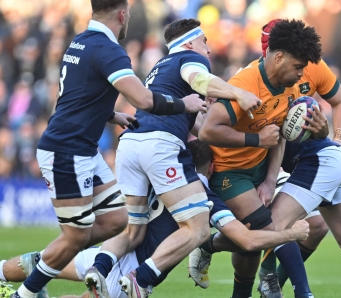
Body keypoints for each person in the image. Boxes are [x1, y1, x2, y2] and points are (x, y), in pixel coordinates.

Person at [10, 0, 208, 297]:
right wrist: (185, 104)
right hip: (67, 152)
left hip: (83, 149)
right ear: (122, 14)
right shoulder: (110, 50)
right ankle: (24, 292)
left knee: (117, 220)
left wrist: (111, 114)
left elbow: (77, 96)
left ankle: (40, 265)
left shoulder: (80, 42)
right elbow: (143, 99)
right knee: (75, 238)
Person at [83, 18, 261, 298]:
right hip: (159, 144)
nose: (209, 49)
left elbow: (199, 130)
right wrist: (238, 92)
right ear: (189, 43)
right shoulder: (190, 58)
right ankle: (141, 280)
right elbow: (199, 78)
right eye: (205, 42)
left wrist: (212, 111)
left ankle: (99, 268)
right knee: (198, 229)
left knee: (133, 231)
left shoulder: (159, 68)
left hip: (130, 144)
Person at [0, 140, 310, 298]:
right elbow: (246, 241)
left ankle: (1, 274)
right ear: (212, 169)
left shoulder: (161, 178)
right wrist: (291, 233)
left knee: (43, 263)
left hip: (114, 250)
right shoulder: (203, 198)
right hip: (133, 272)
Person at [199, 19, 322, 298]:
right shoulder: (245, 84)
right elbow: (208, 130)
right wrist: (256, 140)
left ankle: (207, 245)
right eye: (298, 67)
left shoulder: (290, 88)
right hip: (229, 171)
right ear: (278, 57)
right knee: (268, 230)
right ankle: (300, 292)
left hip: (259, 168)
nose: (301, 75)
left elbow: (277, 136)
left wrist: (269, 180)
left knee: (250, 244)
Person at [253, 19, 341, 297]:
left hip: (298, 157)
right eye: (265, 52)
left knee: (317, 227)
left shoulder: (313, 66)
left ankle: (272, 279)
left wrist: (337, 138)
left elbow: (340, 102)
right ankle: (275, 280)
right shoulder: (253, 76)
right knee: (264, 231)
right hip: (266, 156)